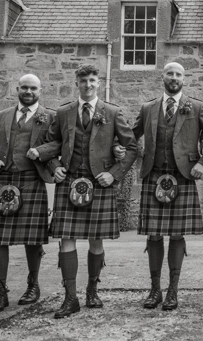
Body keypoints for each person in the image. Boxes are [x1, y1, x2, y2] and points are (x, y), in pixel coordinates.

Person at [35, 64, 138, 319]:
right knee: (66, 238)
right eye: (84, 81)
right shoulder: (63, 112)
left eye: (93, 80)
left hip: (99, 183)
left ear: (98, 83)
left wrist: (113, 173)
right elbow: (50, 144)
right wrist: (55, 166)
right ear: (77, 82)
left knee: (96, 239)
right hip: (68, 181)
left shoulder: (112, 113)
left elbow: (132, 147)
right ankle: (70, 298)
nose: (88, 85)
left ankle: (92, 290)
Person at [132, 62, 203, 311]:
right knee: (153, 234)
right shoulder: (148, 108)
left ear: (185, 79)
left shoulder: (195, 107)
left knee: (176, 234)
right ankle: (154, 290)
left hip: (182, 176)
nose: (174, 78)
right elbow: (131, 136)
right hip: (154, 174)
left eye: (179, 74)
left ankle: (172, 290)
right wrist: (118, 149)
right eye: (170, 73)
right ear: (162, 77)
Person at [0, 74, 57, 312]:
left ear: (40, 90)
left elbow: (57, 144)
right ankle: (0, 290)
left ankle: (33, 285)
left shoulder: (50, 116)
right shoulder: (2, 116)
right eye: (24, 87)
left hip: (32, 181)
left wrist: (40, 151)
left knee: (32, 239)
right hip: (2, 181)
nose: (28, 91)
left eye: (33, 88)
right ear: (17, 89)